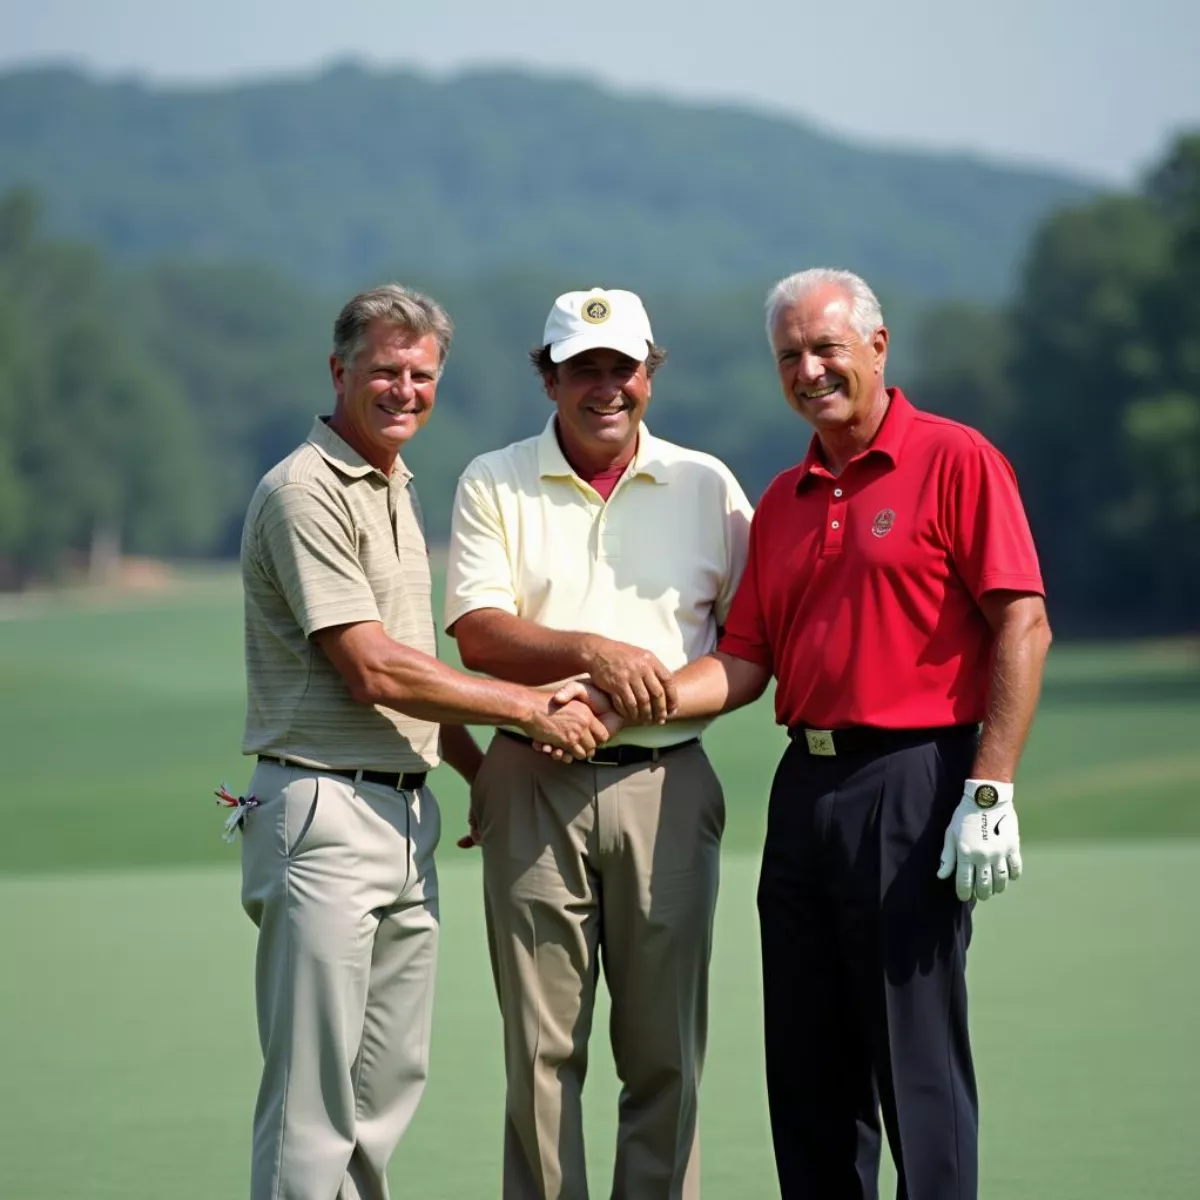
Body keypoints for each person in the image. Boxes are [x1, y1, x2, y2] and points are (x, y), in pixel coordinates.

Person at [557, 268, 1051, 1199]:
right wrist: (625, 702)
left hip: (917, 776)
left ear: (878, 347)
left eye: (826, 348)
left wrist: (990, 788)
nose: (810, 369)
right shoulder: (782, 501)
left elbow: (1023, 622)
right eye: (790, 355)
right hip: (806, 791)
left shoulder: (954, 459)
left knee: (916, 1062)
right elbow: (745, 661)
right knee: (809, 1071)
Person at [236, 283, 615, 1200]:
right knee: (313, 1110)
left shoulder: (394, 486)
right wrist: (527, 711)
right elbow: (373, 669)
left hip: (405, 814)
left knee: (381, 1096)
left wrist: (474, 768)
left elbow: (410, 661)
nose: (404, 389)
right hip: (323, 811)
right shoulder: (303, 492)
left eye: (421, 373)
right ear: (338, 372)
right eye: (384, 371)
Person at [443, 286, 754, 1198]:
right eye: (583, 369)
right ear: (548, 377)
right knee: (541, 1056)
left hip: (669, 781)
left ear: (650, 373)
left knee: (665, 1055)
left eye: (622, 367)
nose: (605, 387)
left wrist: (628, 705)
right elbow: (476, 629)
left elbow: (746, 650)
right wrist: (593, 653)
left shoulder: (709, 485)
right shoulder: (493, 478)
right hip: (529, 779)